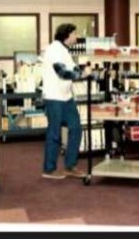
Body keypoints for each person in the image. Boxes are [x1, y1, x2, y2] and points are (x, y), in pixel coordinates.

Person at [41, 23, 90, 179]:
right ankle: (49, 169)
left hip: (66, 96)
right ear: (67, 35)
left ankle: (70, 166)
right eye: (75, 33)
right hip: (54, 97)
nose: (77, 36)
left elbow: (74, 69)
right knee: (54, 133)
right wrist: (82, 75)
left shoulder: (65, 51)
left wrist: (90, 74)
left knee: (76, 128)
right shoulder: (54, 49)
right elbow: (62, 72)